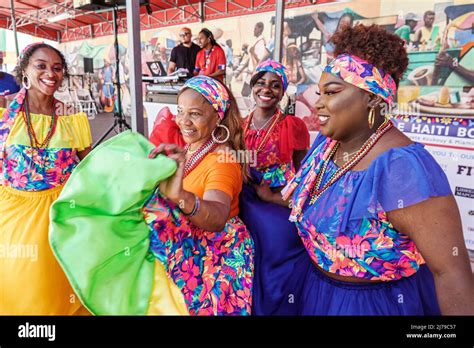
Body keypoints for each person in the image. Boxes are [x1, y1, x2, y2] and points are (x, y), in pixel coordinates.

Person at [282, 24, 474, 315]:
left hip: (376, 305)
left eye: (332, 92)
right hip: (319, 293)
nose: (318, 103)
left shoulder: (402, 168)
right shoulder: (326, 144)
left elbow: (451, 273)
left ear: (373, 98)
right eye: (319, 92)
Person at [51, 76, 254, 315]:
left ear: (217, 116)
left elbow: (218, 218)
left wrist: (180, 196)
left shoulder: (224, 160)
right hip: (187, 244)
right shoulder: (191, 147)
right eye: (180, 111)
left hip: (214, 256)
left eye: (195, 114)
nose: (183, 121)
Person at [0, 43, 92, 315]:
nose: (50, 73)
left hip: (63, 215)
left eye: (57, 68)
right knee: (24, 287)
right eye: (41, 65)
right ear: (25, 69)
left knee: (61, 291)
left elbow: (92, 167)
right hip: (16, 217)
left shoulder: (70, 116)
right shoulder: (5, 112)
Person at [239, 59, 311, 315]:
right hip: (244, 193)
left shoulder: (292, 125)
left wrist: (273, 196)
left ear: (283, 91)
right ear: (252, 86)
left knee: (279, 236)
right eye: (260, 83)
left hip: (278, 195)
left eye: (275, 85)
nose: (266, 89)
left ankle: (274, 306)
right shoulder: (239, 124)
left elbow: (304, 173)